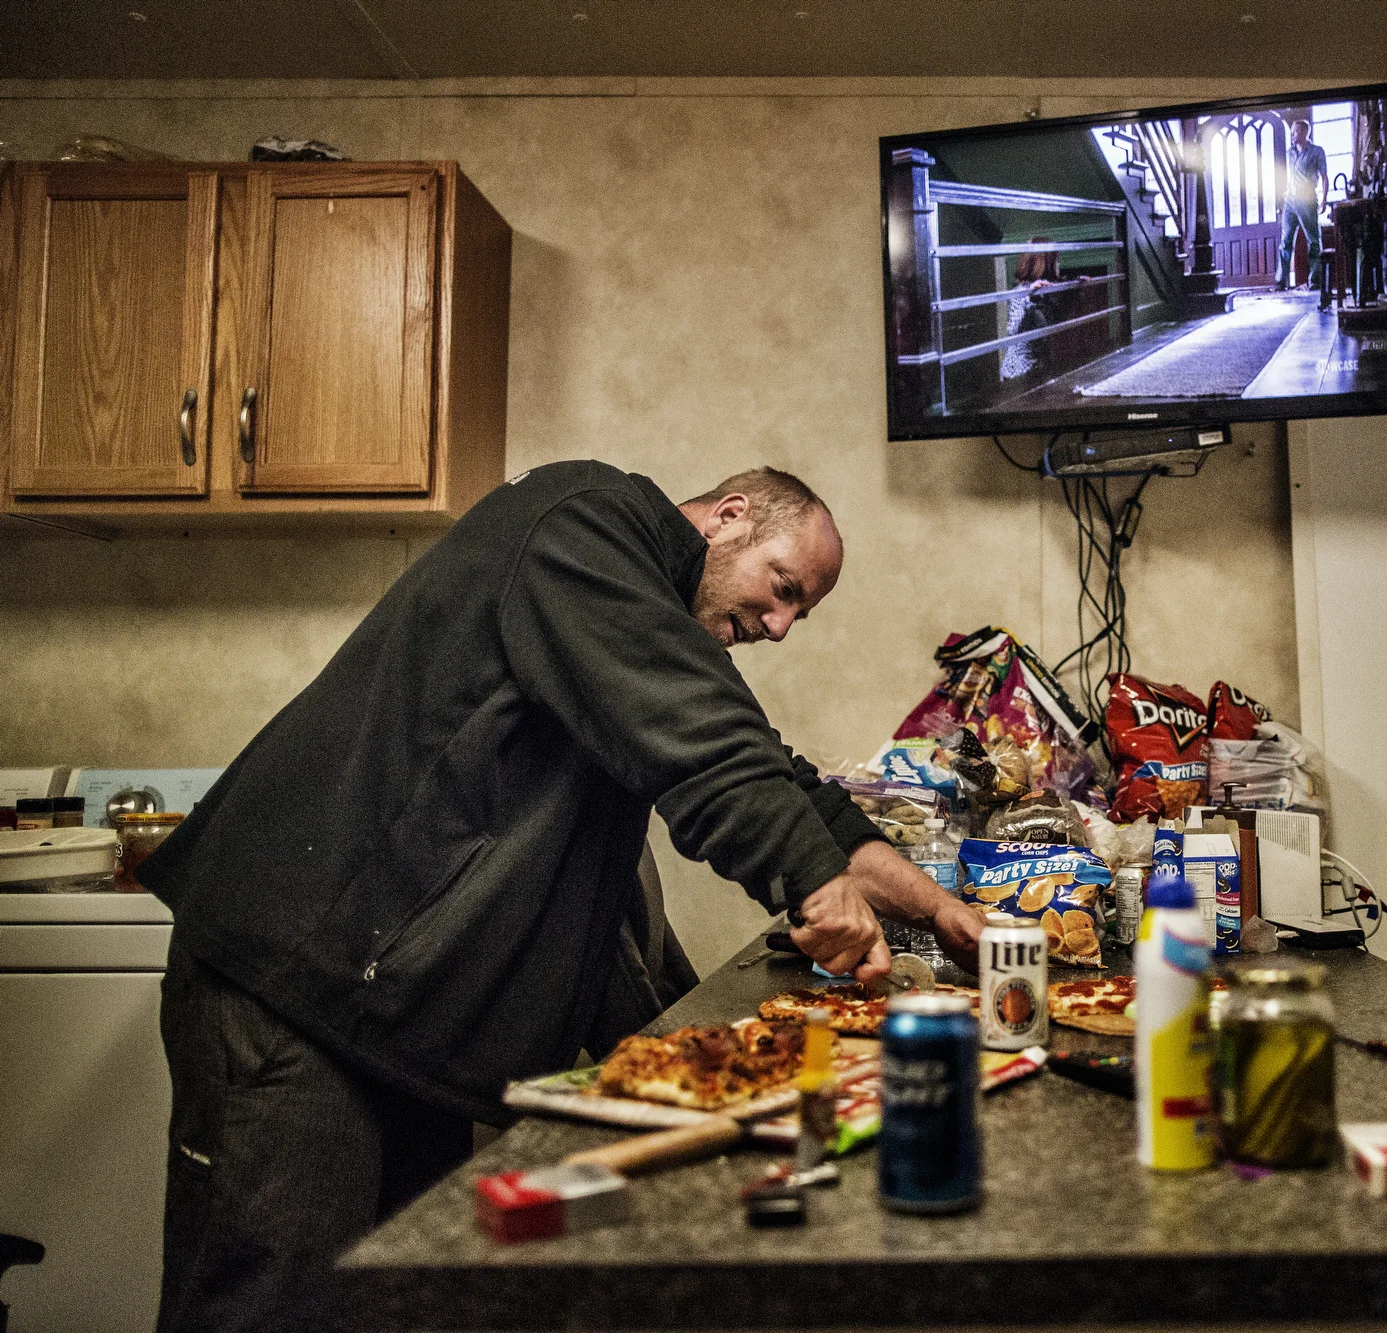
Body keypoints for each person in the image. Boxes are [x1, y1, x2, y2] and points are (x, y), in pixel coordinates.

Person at [138, 459, 989, 1333]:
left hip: (396, 1014)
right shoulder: (584, 523)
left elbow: (772, 769)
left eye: (796, 614)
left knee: (392, 1307)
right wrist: (814, 882)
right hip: (295, 987)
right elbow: (704, 743)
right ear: (730, 516)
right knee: (270, 1309)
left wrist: (932, 906)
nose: (777, 627)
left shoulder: (642, 621)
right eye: (782, 589)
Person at [1274, 118, 1328, 294]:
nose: (1292, 135)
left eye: (1295, 131)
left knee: (1313, 240)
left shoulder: (1317, 151)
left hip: (1307, 200)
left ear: (1305, 132)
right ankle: (1281, 281)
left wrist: (1324, 200)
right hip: (1291, 200)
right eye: (1291, 132)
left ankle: (1315, 280)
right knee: (1285, 241)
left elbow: (1324, 177)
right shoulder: (1290, 153)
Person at [999, 239, 1062, 386]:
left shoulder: (1044, 289)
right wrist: (1027, 297)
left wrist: (1075, 289)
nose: (1058, 264)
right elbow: (1012, 330)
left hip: (1038, 365)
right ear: (1044, 262)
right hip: (1018, 371)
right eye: (1056, 260)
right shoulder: (1021, 291)